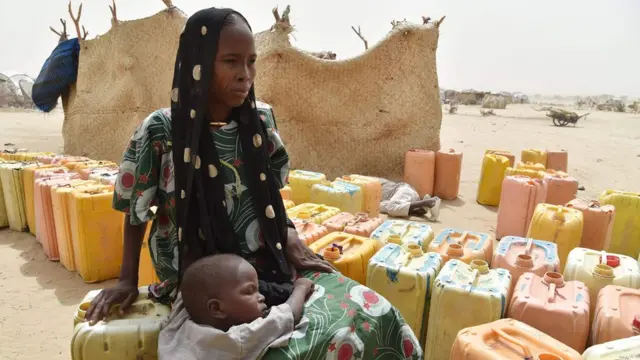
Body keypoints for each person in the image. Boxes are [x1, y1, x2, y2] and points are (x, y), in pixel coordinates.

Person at [85, 7, 422, 359]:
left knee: (374, 312)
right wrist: (125, 278)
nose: (245, 75)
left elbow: (269, 193)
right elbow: (135, 208)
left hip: (268, 260)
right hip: (203, 278)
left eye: (251, 61)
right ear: (198, 63)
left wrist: (288, 234)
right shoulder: (162, 130)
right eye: (231, 61)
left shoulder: (259, 119)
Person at [159, 254, 315, 359]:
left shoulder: (179, 320)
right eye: (250, 291)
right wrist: (300, 287)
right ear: (217, 309)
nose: (261, 297)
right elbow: (287, 315)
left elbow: (183, 293)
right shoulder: (234, 340)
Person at [376, 177, 442, 220]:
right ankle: (420, 209)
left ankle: (430, 202)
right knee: (378, 207)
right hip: (405, 198)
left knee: (392, 208)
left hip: (404, 191)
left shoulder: (369, 182)